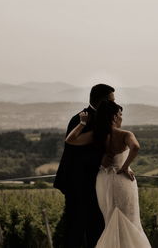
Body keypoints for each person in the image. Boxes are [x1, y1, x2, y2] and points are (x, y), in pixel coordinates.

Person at [66, 100, 151, 248]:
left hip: (104, 181)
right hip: (122, 180)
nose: (121, 118)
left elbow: (70, 140)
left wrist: (82, 123)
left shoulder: (96, 135)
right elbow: (135, 147)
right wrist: (125, 167)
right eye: (120, 114)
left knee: (110, 219)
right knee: (129, 219)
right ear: (114, 117)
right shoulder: (125, 134)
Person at [53, 84, 115, 248]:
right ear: (102, 101)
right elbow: (73, 152)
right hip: (77, 184)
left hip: (92, 183)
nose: (114, 105)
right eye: (111, 101)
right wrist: (99, 159)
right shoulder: (81, 118)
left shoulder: (102, 119)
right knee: (76, 229)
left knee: (95, 227)